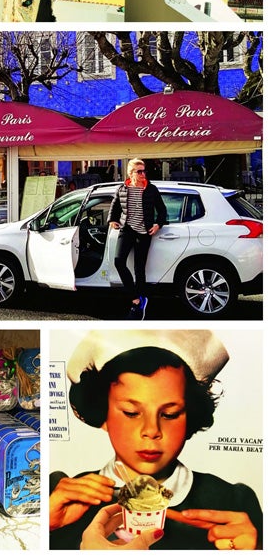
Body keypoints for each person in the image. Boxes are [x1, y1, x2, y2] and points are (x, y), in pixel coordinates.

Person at [50, 330, 261, 550]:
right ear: (103, 415)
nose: (151, 431)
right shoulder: (60, 499)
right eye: (131, 413)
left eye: (169, 414)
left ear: (190, 417)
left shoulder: (233, 502)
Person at [109, 158, 167, 320]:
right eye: (139, 171)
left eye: (144, 171)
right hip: (127, 230)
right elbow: (114, 206)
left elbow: (162, 210)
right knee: (119, 262)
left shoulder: (151, 189)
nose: (143, 174)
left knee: (139, 268)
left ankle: (140, 303)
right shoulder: (122, 188)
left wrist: (158, 224)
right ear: (130, 173)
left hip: (144, 232)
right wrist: (112, 220)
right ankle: (135, 298)